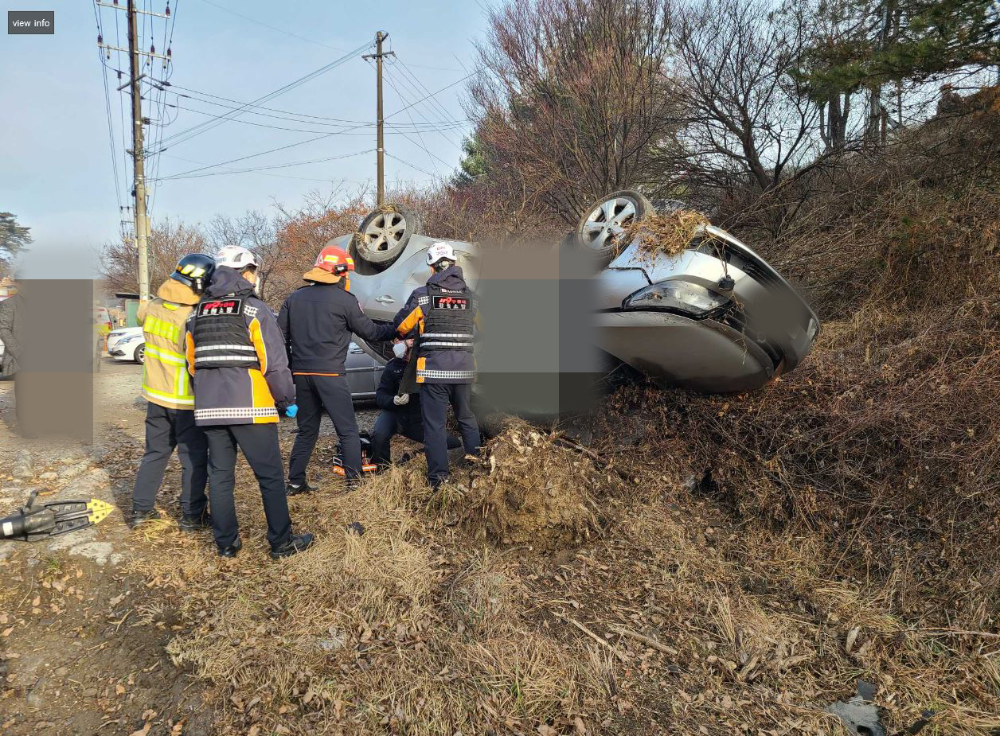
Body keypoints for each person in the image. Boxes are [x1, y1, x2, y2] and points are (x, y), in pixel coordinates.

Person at [185, 245, 313, 559]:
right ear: (246, 272)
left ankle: (226, 544)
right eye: (254, 271)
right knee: (269, 476)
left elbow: (191, 364)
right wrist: (286, 400)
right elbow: (274, 364)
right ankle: (281, 543)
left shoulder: (194, 314)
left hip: (209, 410)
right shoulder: (254, 310)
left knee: (220, 476)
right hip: (251, 407)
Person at [278, 245, 397, 491]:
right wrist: (397, 326)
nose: (348, 279)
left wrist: (291, 367)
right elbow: (371, 331)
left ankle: (296, 482)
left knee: (306, 430)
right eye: (347, 275)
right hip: (331, 374)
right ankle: (353, 483)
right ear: (339, 272)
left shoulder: (294, 298)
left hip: (301, 376)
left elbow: (280, 338)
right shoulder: (345, 301)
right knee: (348, 431)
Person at [129, 254, 215, 531]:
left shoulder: (150, 308)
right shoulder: (192, 316)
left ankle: (141, 510)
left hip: (155, 398)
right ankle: (192, 515)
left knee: (154, 453)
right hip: (185, 401)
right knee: (193, 459)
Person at [394, 242, 481, 489]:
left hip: (433, 373)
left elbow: (401, 327)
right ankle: (476, 471)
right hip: (464, 369)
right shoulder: (470, 297)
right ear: (454, 265)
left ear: (432, 268)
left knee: (434, 425)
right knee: (466, 418)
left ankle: (439, 481)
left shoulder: (422, 296)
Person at [370, 338, 461, 468]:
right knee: (379, 434)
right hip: (394, 414)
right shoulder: (393, 366)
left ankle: (413, 458)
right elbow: (380, 396)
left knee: (452, 443)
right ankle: (382, 469)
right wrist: (393, 400)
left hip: (417, 418)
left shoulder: (428, 365)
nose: (408, 356)